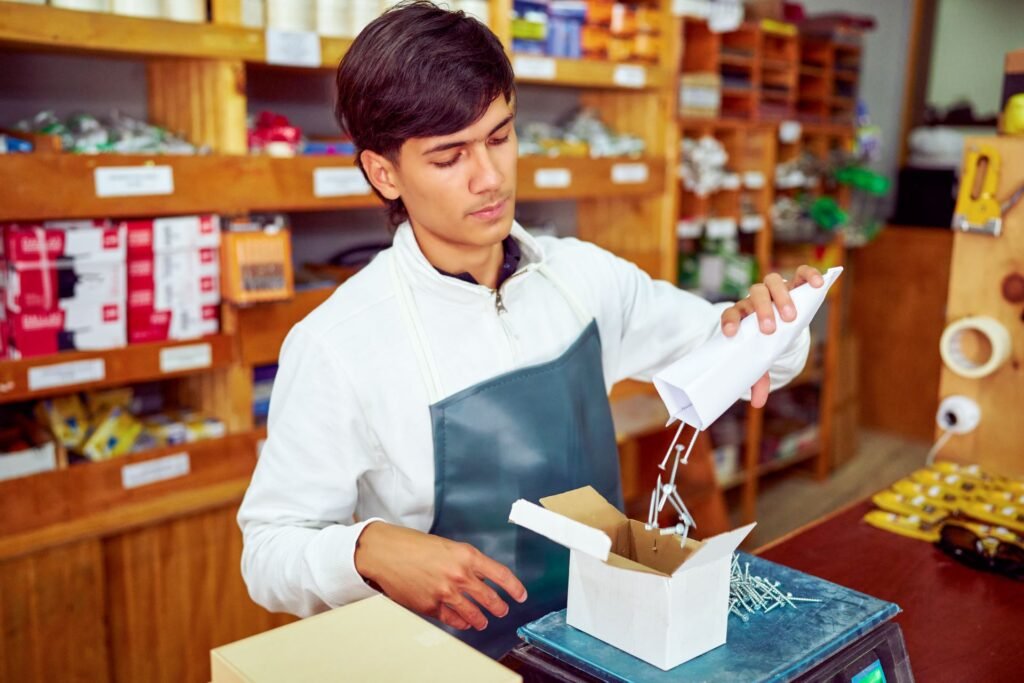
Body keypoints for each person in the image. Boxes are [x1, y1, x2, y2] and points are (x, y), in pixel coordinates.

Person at [238, 0, 821, 658]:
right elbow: (268, 551)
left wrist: (773, 322)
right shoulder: (338, 344)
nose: (489, 178)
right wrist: (365, 548)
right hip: (450, 662)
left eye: (499, 137)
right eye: (449, 157)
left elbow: (752, 362)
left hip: (602, 640)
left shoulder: (582, 279)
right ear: (384, 173)